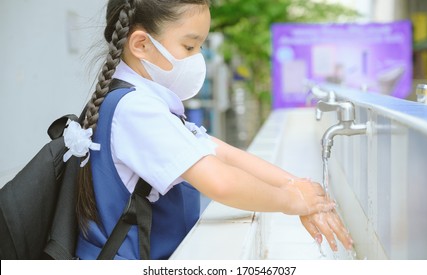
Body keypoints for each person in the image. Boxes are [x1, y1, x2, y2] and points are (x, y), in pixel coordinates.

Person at [74, 0, 353, 260]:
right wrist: (291, 201)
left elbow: (219, 151)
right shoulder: (135, 109)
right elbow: (221, 182)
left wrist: (295, 186)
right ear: (141, 44)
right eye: (189, 47)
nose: (198, 58)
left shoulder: (139, 100)